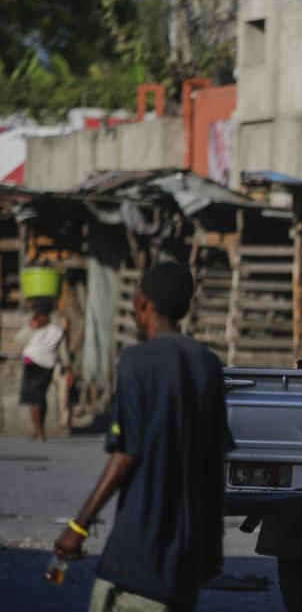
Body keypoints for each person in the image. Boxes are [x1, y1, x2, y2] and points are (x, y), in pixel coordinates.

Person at [53, 262, 234, 612]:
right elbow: (215, 465)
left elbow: (126, 455)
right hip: (185, 562)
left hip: (138, 557)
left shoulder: (136, 361)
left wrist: (78, 526)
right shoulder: (208, 364)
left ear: (143, 302)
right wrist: (213, 548)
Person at [17, 298, 64, 441]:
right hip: (48, 366)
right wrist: (66, 366)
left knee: (34, 400)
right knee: (41, 398)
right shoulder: (57, 330)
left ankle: (39, 432)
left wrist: (30, 327)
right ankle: (39, 430)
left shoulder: (34, 326)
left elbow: (19, 340)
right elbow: (62, 350)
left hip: (32, 365)